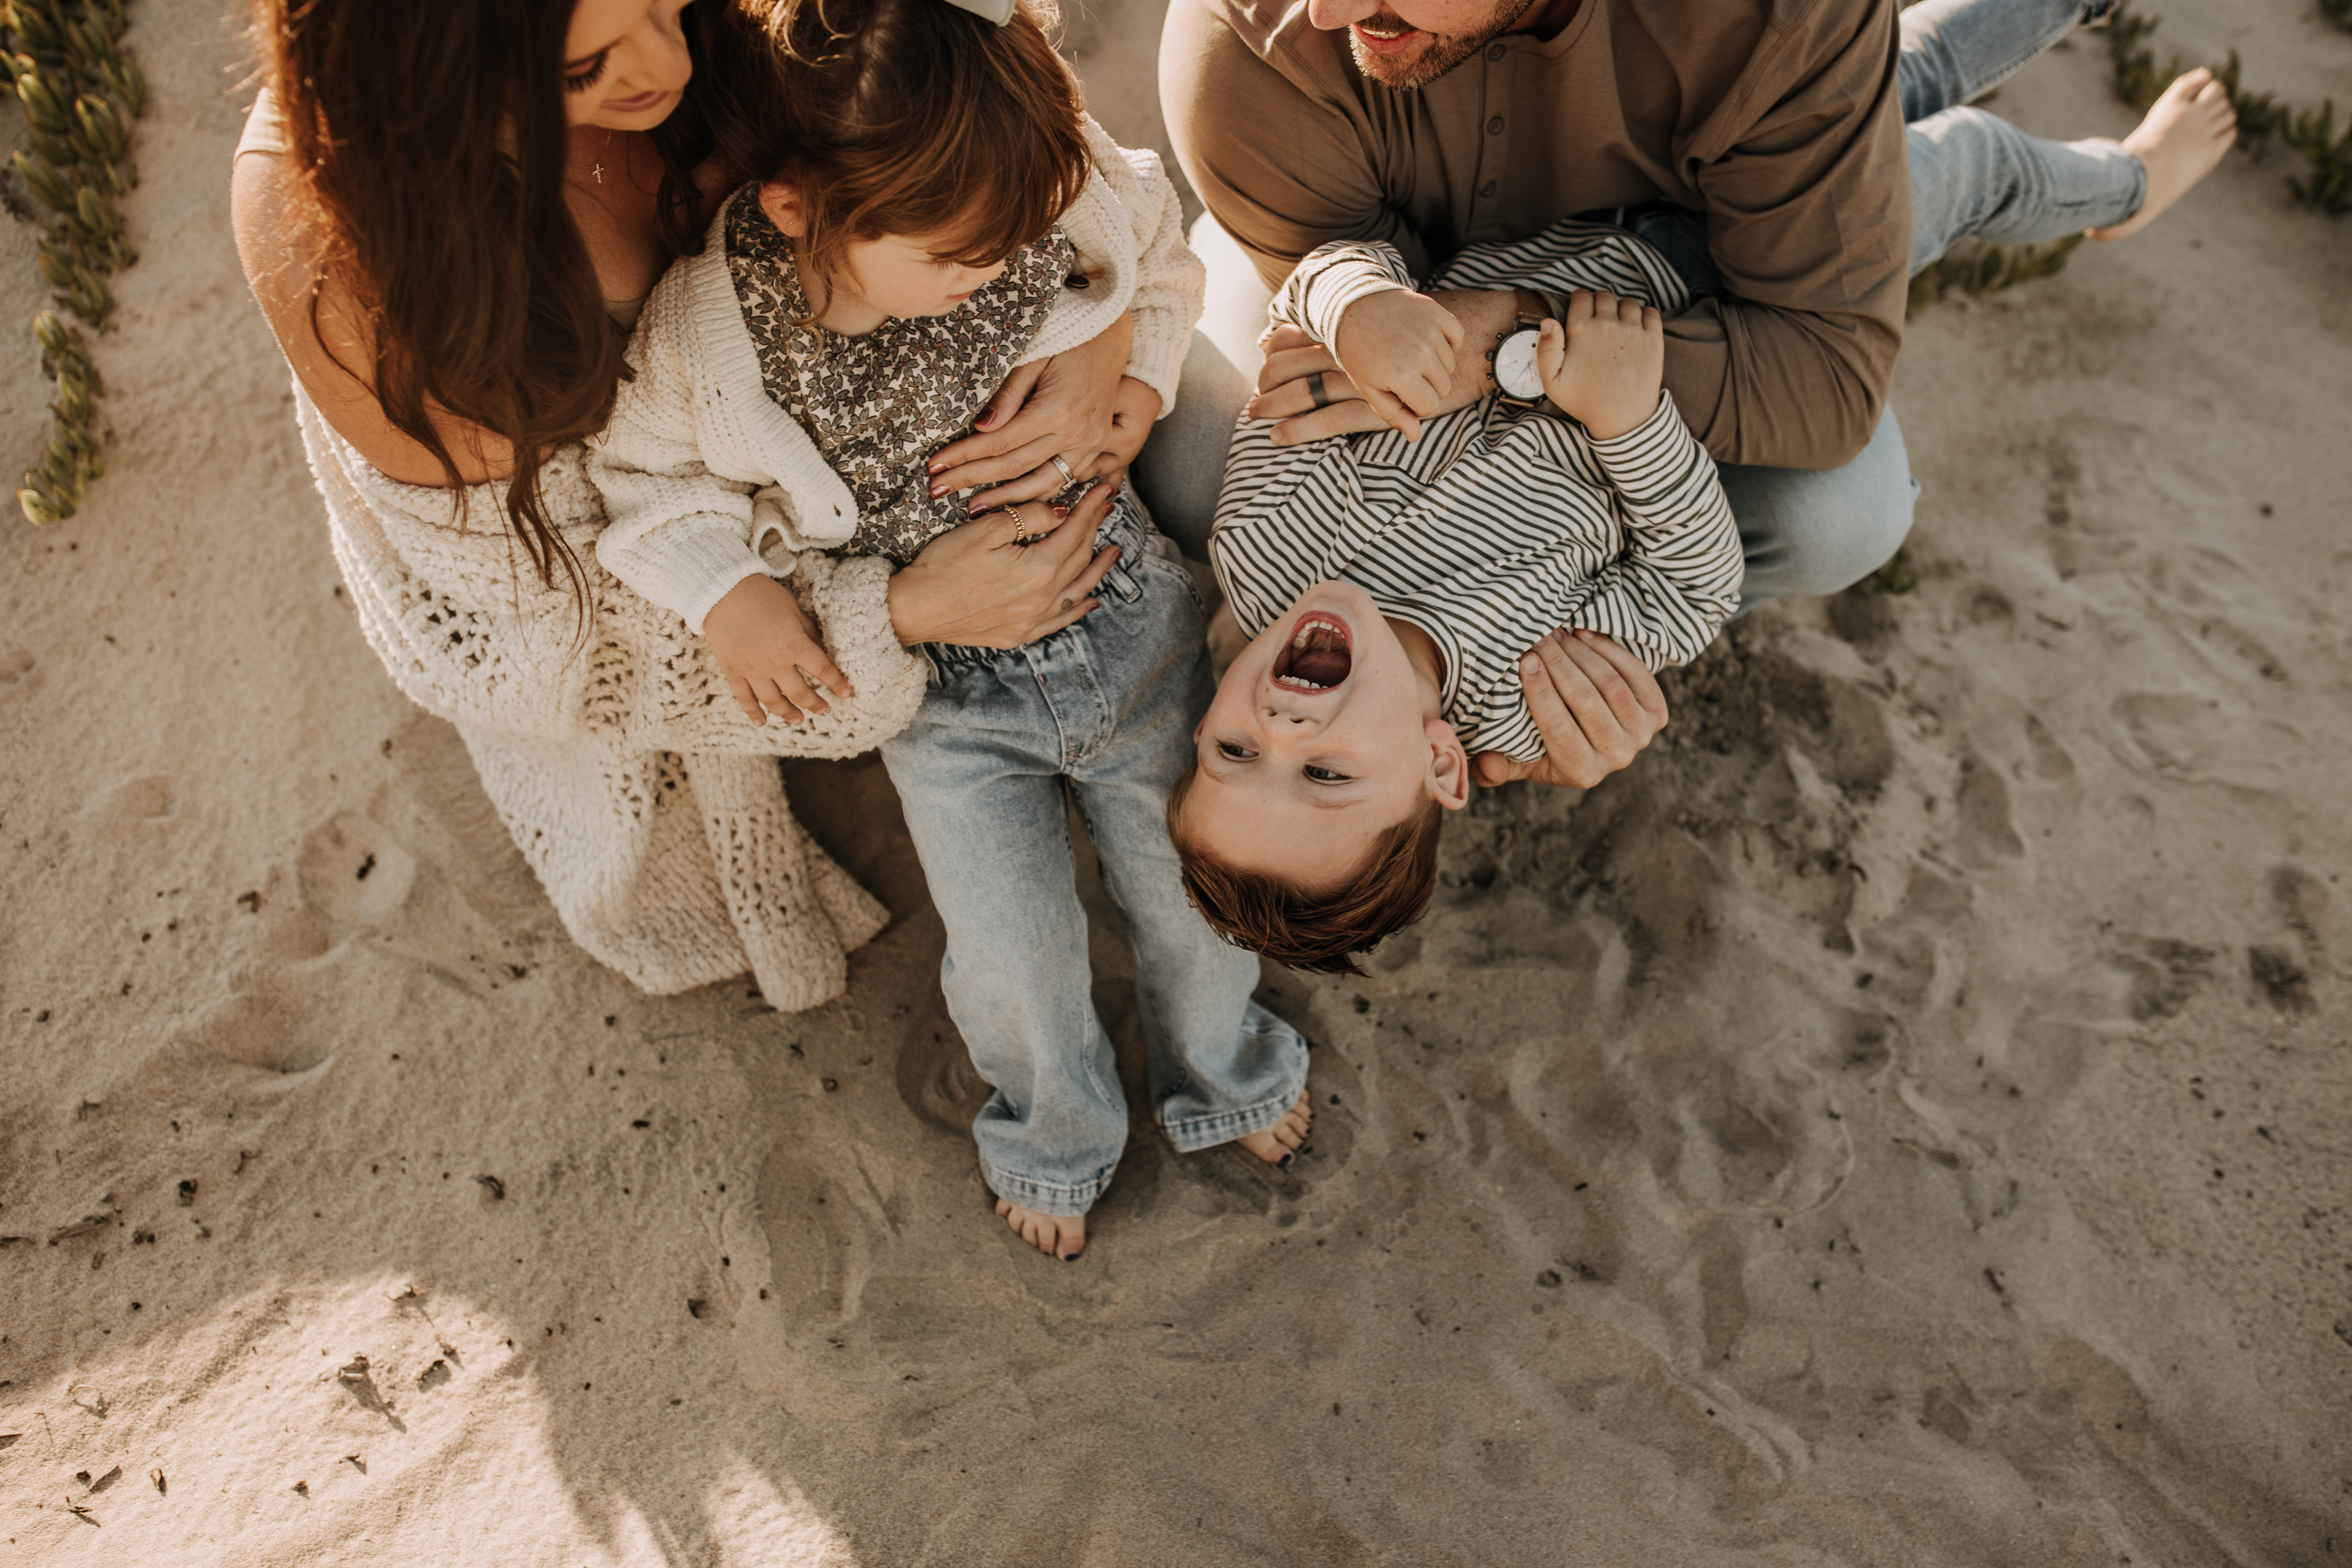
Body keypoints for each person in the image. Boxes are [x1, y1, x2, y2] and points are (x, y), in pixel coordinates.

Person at [1164, 0, 2238, 974]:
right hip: (1693, 302)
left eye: (1235, 752)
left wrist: (1356, 307)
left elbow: (1319, 315)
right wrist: (1630, 420)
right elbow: (1690, 583)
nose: (1283, 729)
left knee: (1873, 86)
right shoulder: (1530, 703)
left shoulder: (1264, 549)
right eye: (1324, 778)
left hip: (1561, 235)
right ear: (1445, 766)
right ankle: (2130, 184)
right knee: (1957, 162)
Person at [230, 0, 1165, 1009]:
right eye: (587, 65)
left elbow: (1007, 121)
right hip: (686, 574)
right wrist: (885, 615)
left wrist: (1105, 325)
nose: (666, 64)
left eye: (669, 5)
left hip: (945, 418)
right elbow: (541, 637)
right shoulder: (347, 245)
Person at [586, 0, 1313, 1262]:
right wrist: (730, 591)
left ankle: (1228, 1064)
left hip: (1130, 622)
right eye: (957, 256)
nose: (1006, 262)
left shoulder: (1024, 178)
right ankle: (1055, 1130)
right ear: (796, 207)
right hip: (942, 704)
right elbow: (641, 486)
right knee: (1010, 952)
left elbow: (1151, 249)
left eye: (1023, 235)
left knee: (1195, 891)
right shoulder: (713, 333)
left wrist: (1136, 378)